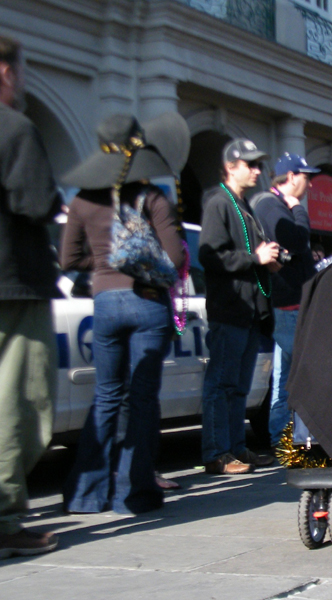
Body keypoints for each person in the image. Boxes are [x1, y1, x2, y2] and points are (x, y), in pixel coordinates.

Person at [61, 112, 188, 514]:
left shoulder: (81, 200)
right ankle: (131, 494)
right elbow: (177, 256)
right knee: (143, 398)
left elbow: (68, 258)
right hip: (147, 302)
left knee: (107, 395)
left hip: (104, 305)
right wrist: (142, 265)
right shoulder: (152, 197)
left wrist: (104, 265)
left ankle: (86, 494)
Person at [0, 35, 61, 556]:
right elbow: (38, 202)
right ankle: (2, 517)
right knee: (20, 402)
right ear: (4, 73)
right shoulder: (15, 128)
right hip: (12, 286)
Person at [199, 138, 281, 474]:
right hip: (230, 308)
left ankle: (236, 448)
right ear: (231, 167)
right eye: (250, 164)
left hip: (248, 310)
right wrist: (255, 257)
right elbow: (209, 255)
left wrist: (268, 261)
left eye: (258, 164)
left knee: (239, 386)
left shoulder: (243, 205)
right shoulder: (218, 203)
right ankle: (218, 452)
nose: (257, 170)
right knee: (221, 382)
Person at [251, 152, 320, 451]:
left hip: (293, 304)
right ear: (291, 177)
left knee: (285, 376)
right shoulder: (272, 204)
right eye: (306, 178)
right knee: (302, 373)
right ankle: (289, 437)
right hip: (289, 305)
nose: (310, 185)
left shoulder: (273, 204)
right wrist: (298, 210)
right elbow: (297, 239)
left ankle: (284, 437)